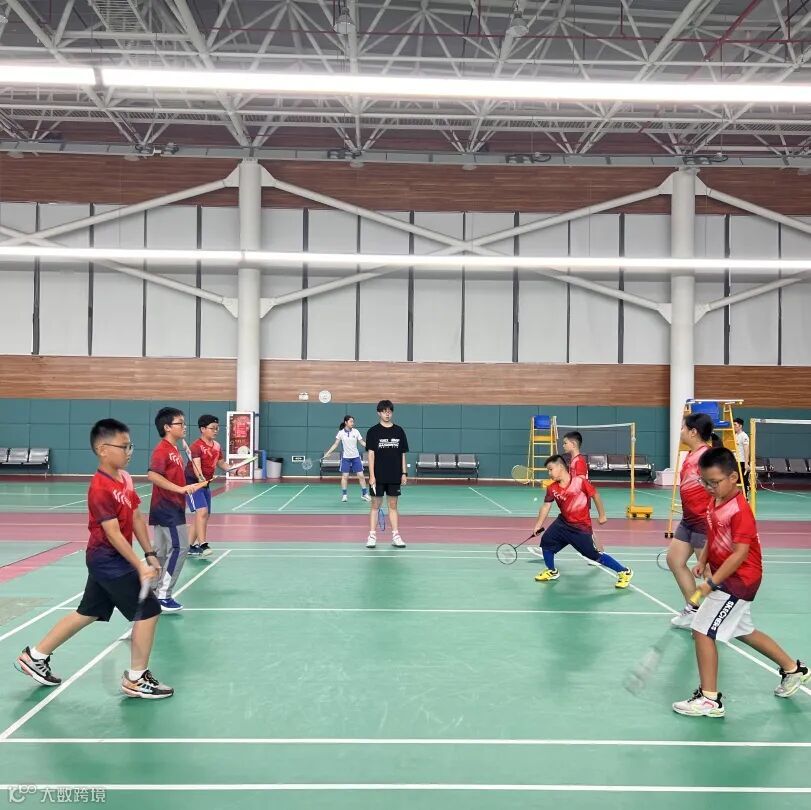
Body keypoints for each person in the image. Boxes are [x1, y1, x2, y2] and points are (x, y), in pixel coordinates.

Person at [15, 419, 176, 699]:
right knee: (149, 610)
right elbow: (112, 532)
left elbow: (136, 516)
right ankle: (136, 678)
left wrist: (149, 553)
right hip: (108, 560)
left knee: (88, 612)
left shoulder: (125, 478)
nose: (129, 452)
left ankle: (35, 656)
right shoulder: (100, 487)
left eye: (130, 446)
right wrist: (139, 565)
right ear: (103, 449)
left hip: (108, 559)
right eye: (124, 446)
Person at [672, 447, 809, 718]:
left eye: (714, 482)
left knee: (702, 630)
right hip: (728, 577)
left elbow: (739, 554)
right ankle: (793, 669)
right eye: (704, 482)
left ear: (733, 477)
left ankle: (709, 699)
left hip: (739, 580)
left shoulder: (739, 511)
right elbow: (712, 535)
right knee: (743, 630)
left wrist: (711, 583)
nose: (709, 488)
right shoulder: (715, 502)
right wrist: (703, 560)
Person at [531, 455, 633, 589]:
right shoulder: (552, 488)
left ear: (560, 467)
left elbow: (595, 495)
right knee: (547, 542)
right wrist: (538, 525)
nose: (549, 473)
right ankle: (551, 571)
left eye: (551, 469)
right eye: (548, 471)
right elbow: (546, 506)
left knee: (593, 555)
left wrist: (602, 515)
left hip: (580, 528)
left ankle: (624, 571)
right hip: (562, 523)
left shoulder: (580, 482)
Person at [148, 407, 205, 613]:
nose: (184, 427)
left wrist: (191, 485)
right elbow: (153, 475)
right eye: (180, 423)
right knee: (180, 548)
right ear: (167, 427)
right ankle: (163, 595)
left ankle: (151, 591)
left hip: (169, 507)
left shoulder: (174, 449)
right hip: (167, 508)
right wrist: (180, 489)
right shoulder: (162, 450)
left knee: (161, 552)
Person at [668, 412, 714, 629]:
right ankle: (693, 610)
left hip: (704, 521)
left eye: (683, 428)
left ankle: (717, 616)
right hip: (688, 519)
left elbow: (720, 487)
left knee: (708, 572)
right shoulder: (690, 455)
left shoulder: (707, 457)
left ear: (693, 431)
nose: (681, 432)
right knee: (674, 560)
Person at [186, 414, 235, 559]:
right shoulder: (196, 446)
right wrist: (201, 479)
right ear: (203, 429)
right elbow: (197, 468)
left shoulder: (217, 446)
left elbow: (221, 463)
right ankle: (203, 544)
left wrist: (234, 470)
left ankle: (188, 547)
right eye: (212, 428)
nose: (215, 431)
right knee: (202, 512)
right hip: (193, 484)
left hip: (205, 484)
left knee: (203, 515)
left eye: (217, 428)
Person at [365, 400, 409, 549]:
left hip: (394, 475)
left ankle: (396, 536)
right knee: (375, 505)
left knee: (393, 505)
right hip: (378, 475)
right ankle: (372, 536)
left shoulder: (399, 431)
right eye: (384, 411)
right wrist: (371, 475)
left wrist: (404, 473)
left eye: (389, 411)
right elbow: (371, 455)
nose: (387, 414)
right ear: (379, 413)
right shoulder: (373, 431)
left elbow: (403, 453)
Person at [323, 415, 371, 503]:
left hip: (356, 457)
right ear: (346, 422)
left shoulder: (356, 431)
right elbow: (335, 444)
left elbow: (362, 442)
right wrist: (328, 452)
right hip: (346, 458)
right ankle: (344, 495)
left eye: (353, 421)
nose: (353, 423)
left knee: (361, 476)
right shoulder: (341, 433)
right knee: (345, 476)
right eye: (351, 421)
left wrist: (371, 447)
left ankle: (364, 494)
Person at [733, 417, 751, 496]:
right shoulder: (735, 435)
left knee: (744, 481)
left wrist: (746, 464)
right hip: (735, 462)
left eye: (735, 425)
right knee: (736, 482)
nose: (733, 426)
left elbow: (746, 450)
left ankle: (745, 497)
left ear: (740, 426)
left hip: (742, 462)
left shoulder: (744, 436)